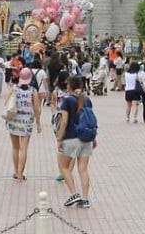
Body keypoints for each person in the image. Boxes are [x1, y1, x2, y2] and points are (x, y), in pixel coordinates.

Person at [56, 75, 95, 208]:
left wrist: (60, 138)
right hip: (86, 137)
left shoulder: (67, 101)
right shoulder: (87, 100)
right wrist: (94, 138)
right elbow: (90, 120)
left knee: (64, 167)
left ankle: (74, 193)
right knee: (83, 169)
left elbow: (64, 121)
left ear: (69, 86)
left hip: (71, 137)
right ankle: (85, 198)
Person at [5, 67, 41, 181]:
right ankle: (21, 173)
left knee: (15, 147)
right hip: (27, 121)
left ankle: (16, 172)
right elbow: (37, 108)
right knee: (23, 148)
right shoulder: (33, 91)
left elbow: (7, 103)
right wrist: (38, 122)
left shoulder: (13, 88)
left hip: (14, 120)